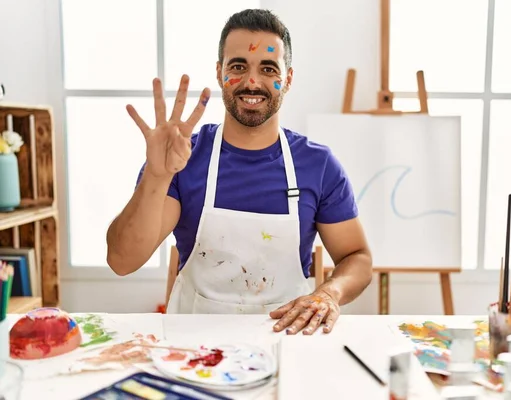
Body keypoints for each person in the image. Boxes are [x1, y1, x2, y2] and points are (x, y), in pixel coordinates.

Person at [106, 9, 372, 335]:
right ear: (219, 73)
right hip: (193, 346)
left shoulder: (318, 166)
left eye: (268, 68)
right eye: (238, 67)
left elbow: (357, 257)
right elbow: (122, 261)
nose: (252, 82)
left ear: (287, 78)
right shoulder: (181, 156)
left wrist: (329, 292)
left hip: (288, 341)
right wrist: (157, 176)